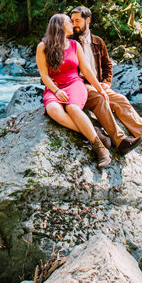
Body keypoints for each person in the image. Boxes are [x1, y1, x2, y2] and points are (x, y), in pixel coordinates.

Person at [68, 6, 142, 150]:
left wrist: (106, 83)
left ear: (87, 20)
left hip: (97, 84)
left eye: (77, 20)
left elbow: (107, 65)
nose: (74, 24)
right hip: (79, 86)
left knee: (121, 100)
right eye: (72, 21)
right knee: (100, 99)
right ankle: (120, 142)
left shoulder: (98, 42)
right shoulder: (69, 41)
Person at [36, 13, 116, 169]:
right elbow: (44, 75)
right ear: (59, 26)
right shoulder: (43, 46)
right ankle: (95, 134)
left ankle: (100, 149)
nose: (72, 24)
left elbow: (86, 70)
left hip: (74, 84)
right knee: (53, 109)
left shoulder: (74, 45)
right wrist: (56, 90)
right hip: (54, 87)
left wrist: (100, 90)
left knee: (72, 108)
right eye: (69, 22)